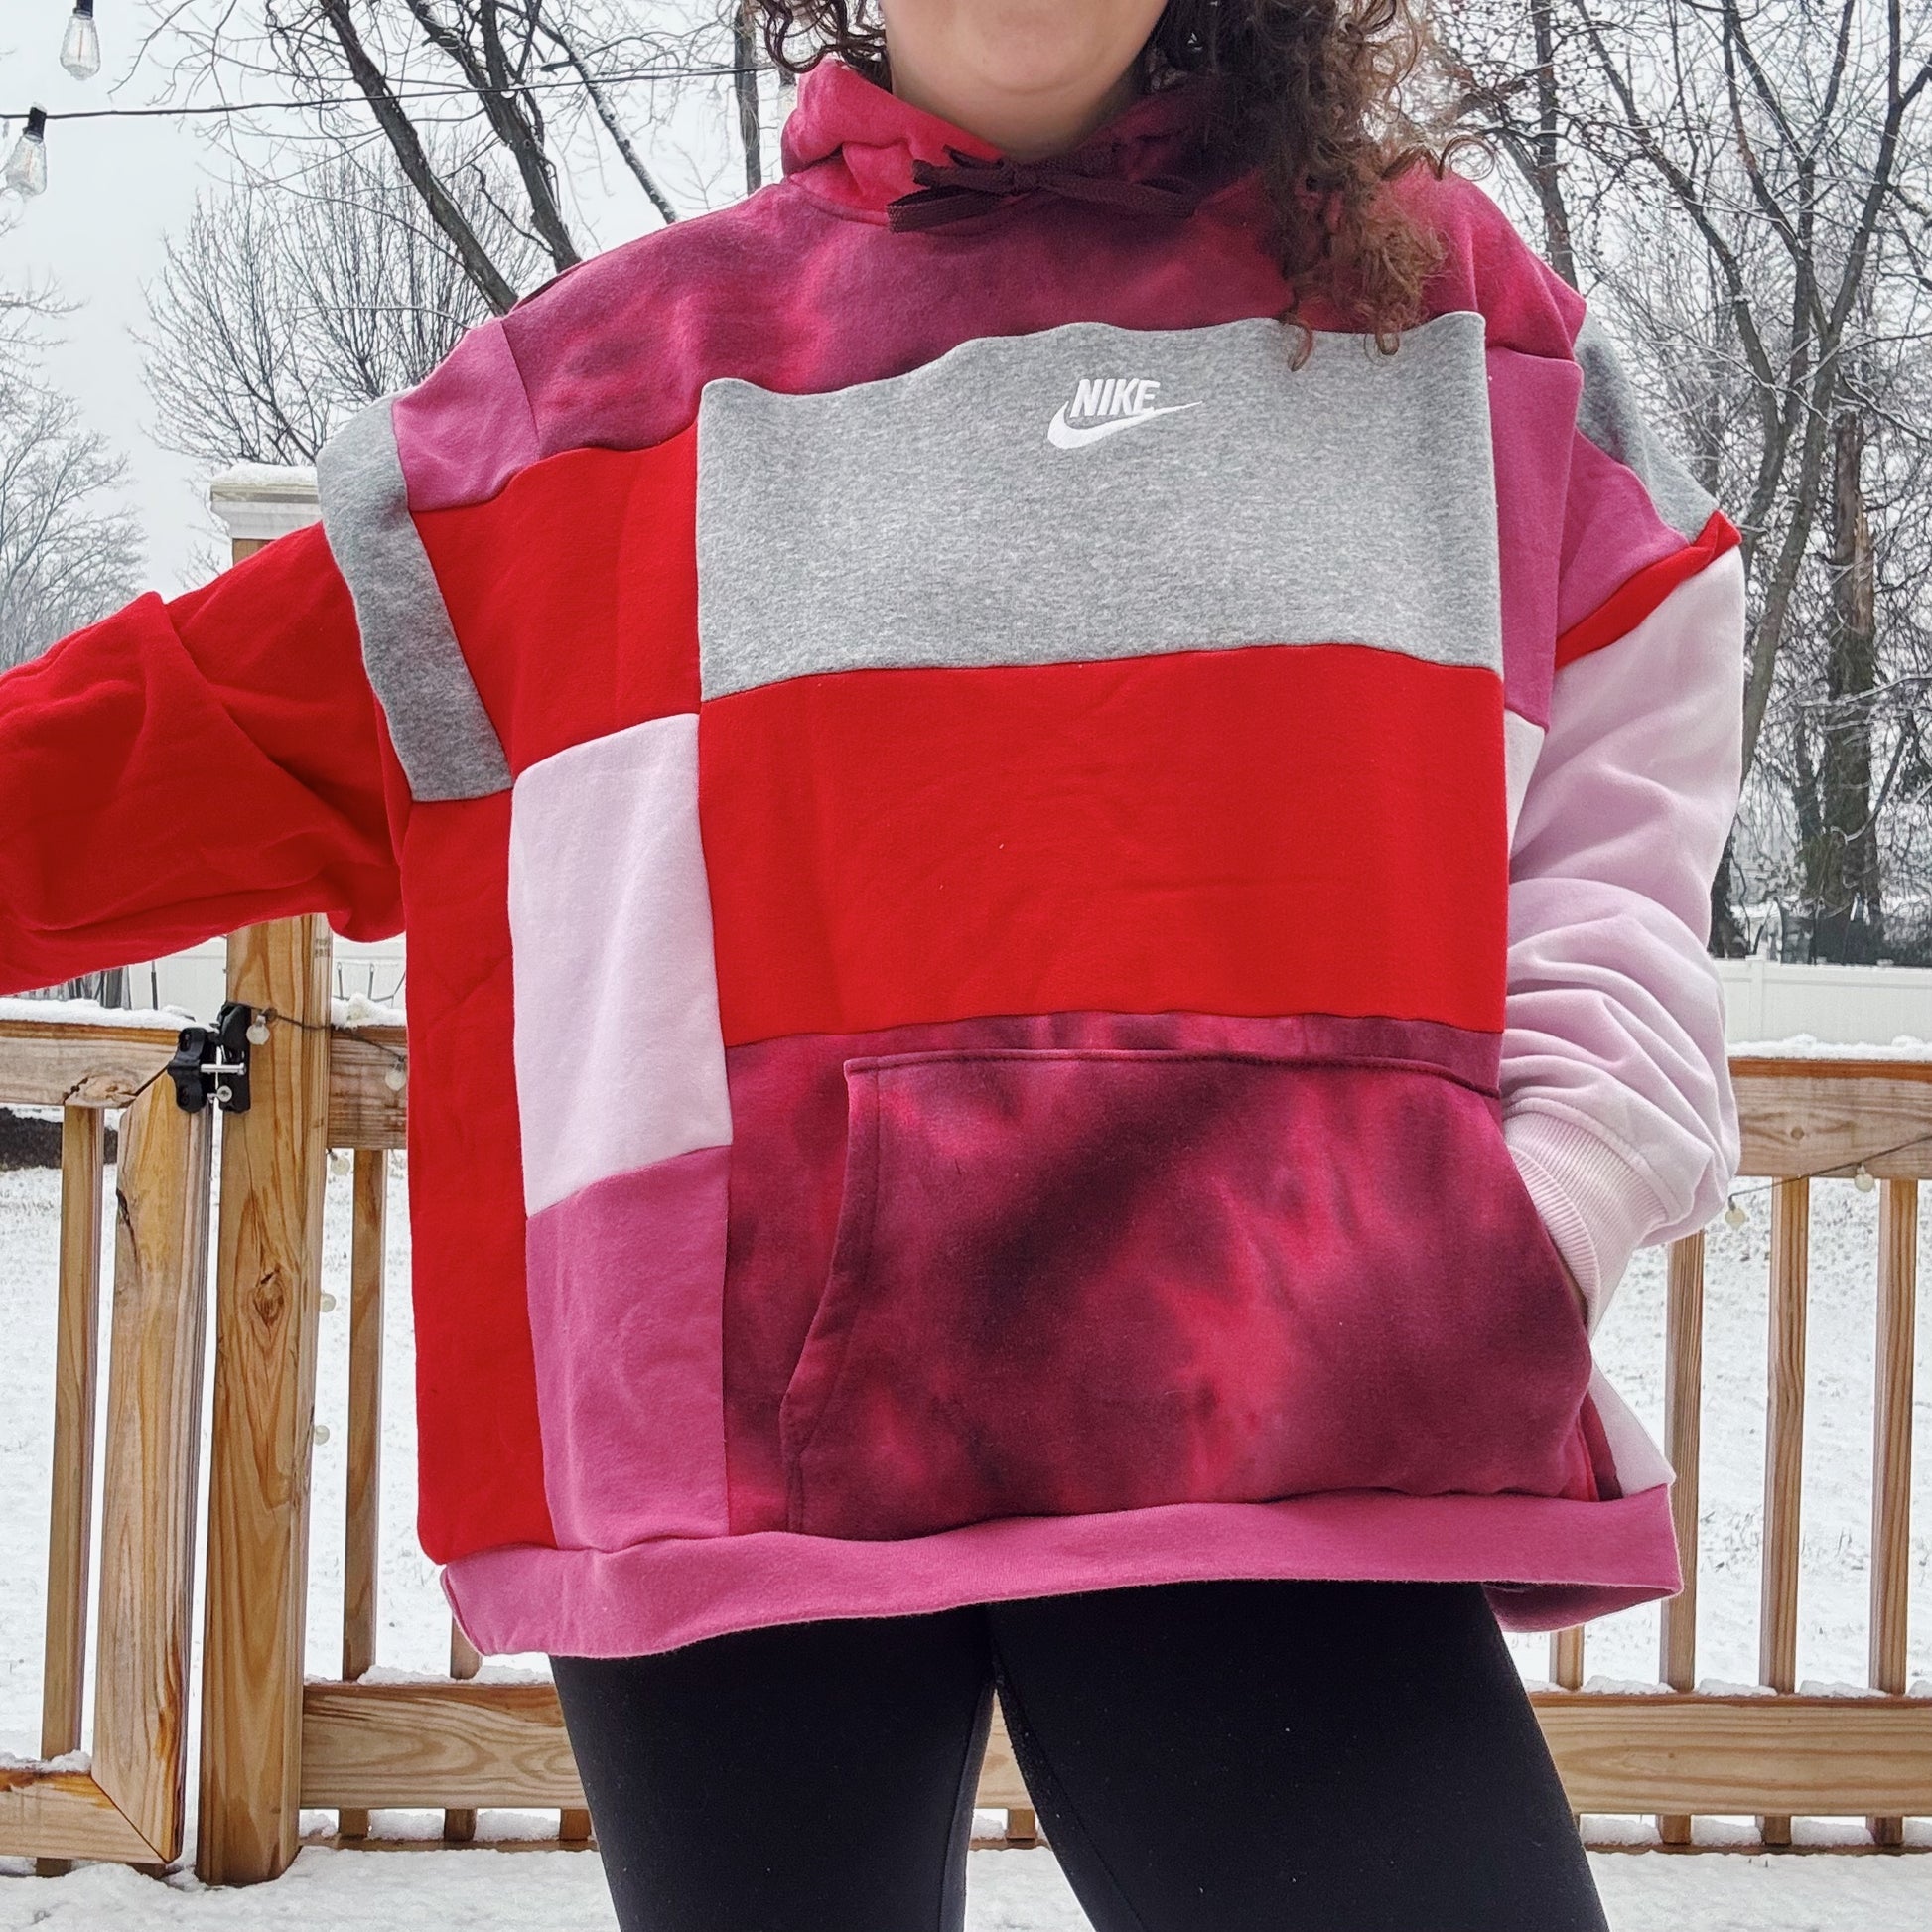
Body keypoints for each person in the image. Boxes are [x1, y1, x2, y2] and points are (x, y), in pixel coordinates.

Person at [0, 2, 1745, 1925]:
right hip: (729, 1422)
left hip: (1302, 1400)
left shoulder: (1447, 325)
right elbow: (152, 748)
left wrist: (1547, 1199)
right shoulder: (601, 388)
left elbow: (1623, 811)